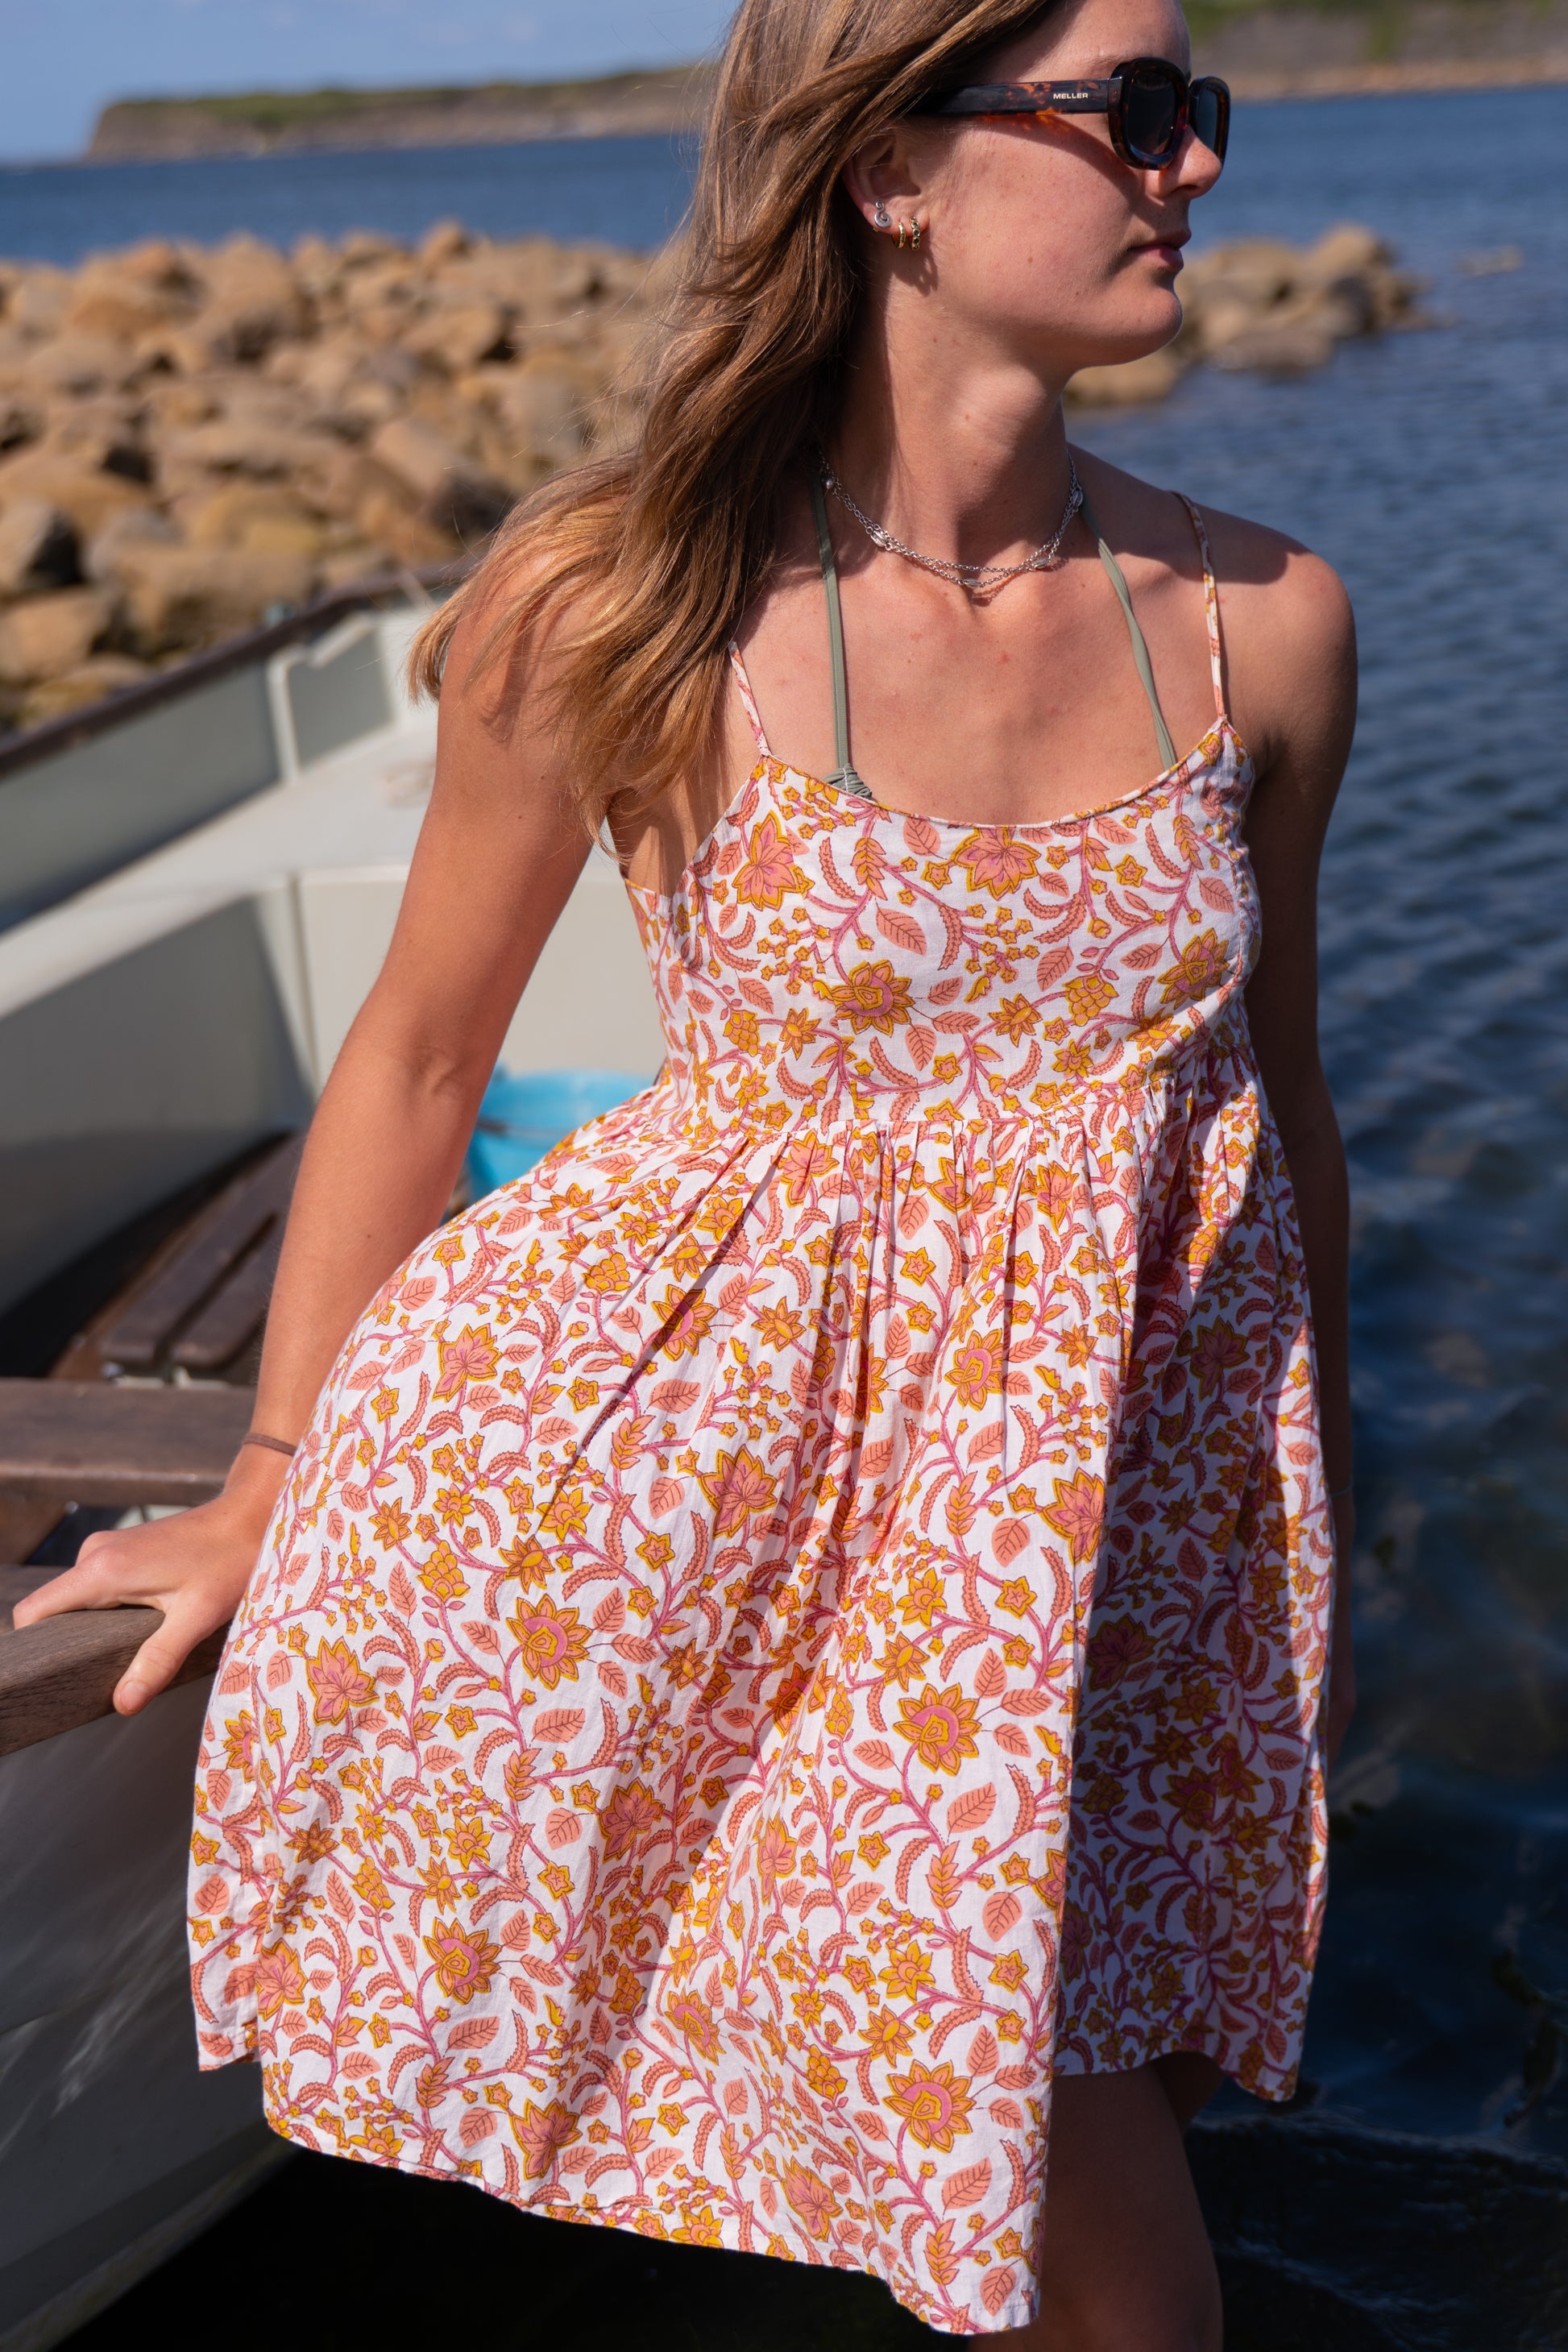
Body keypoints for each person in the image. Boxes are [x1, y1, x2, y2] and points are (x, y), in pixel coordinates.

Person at [18, 0, 1358, 2340]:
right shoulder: (624, 601)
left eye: (1202, 109)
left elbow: (1284, 1105)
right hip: (726, 1512)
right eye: (1134, 113)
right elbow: (417, 1057)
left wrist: (1314, 1505)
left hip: (1113, 1534)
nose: (1197, 166)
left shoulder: (1268, 628)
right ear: (890, 171)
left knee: (1038, 2149)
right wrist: (271, 1482)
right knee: (1103, 2256)